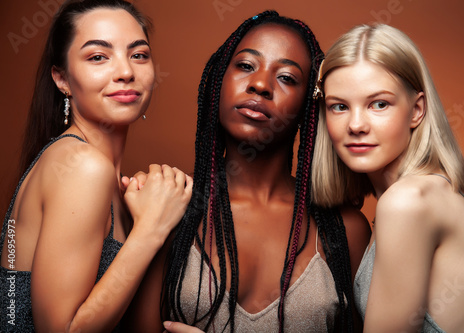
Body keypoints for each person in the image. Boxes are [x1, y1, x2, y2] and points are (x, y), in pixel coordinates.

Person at [126, 10, 370, 333]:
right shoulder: (167, 208)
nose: (260, 84)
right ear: (217, 81)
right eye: (245, 66)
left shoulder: (345, 230)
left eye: (286, 77)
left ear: (308, 108)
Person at [0, 0, 192, 332]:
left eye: (139, 54)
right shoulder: (82, 166)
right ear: (62, 79)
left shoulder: (100, 175)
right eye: (98, 57)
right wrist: (152, 230)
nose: (126, 71)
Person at [311, 23, 464, 332]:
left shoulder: (407, 202)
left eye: (378, 104)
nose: (356, 124)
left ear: (416, 110)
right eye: (339, 106)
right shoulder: (430, 192)